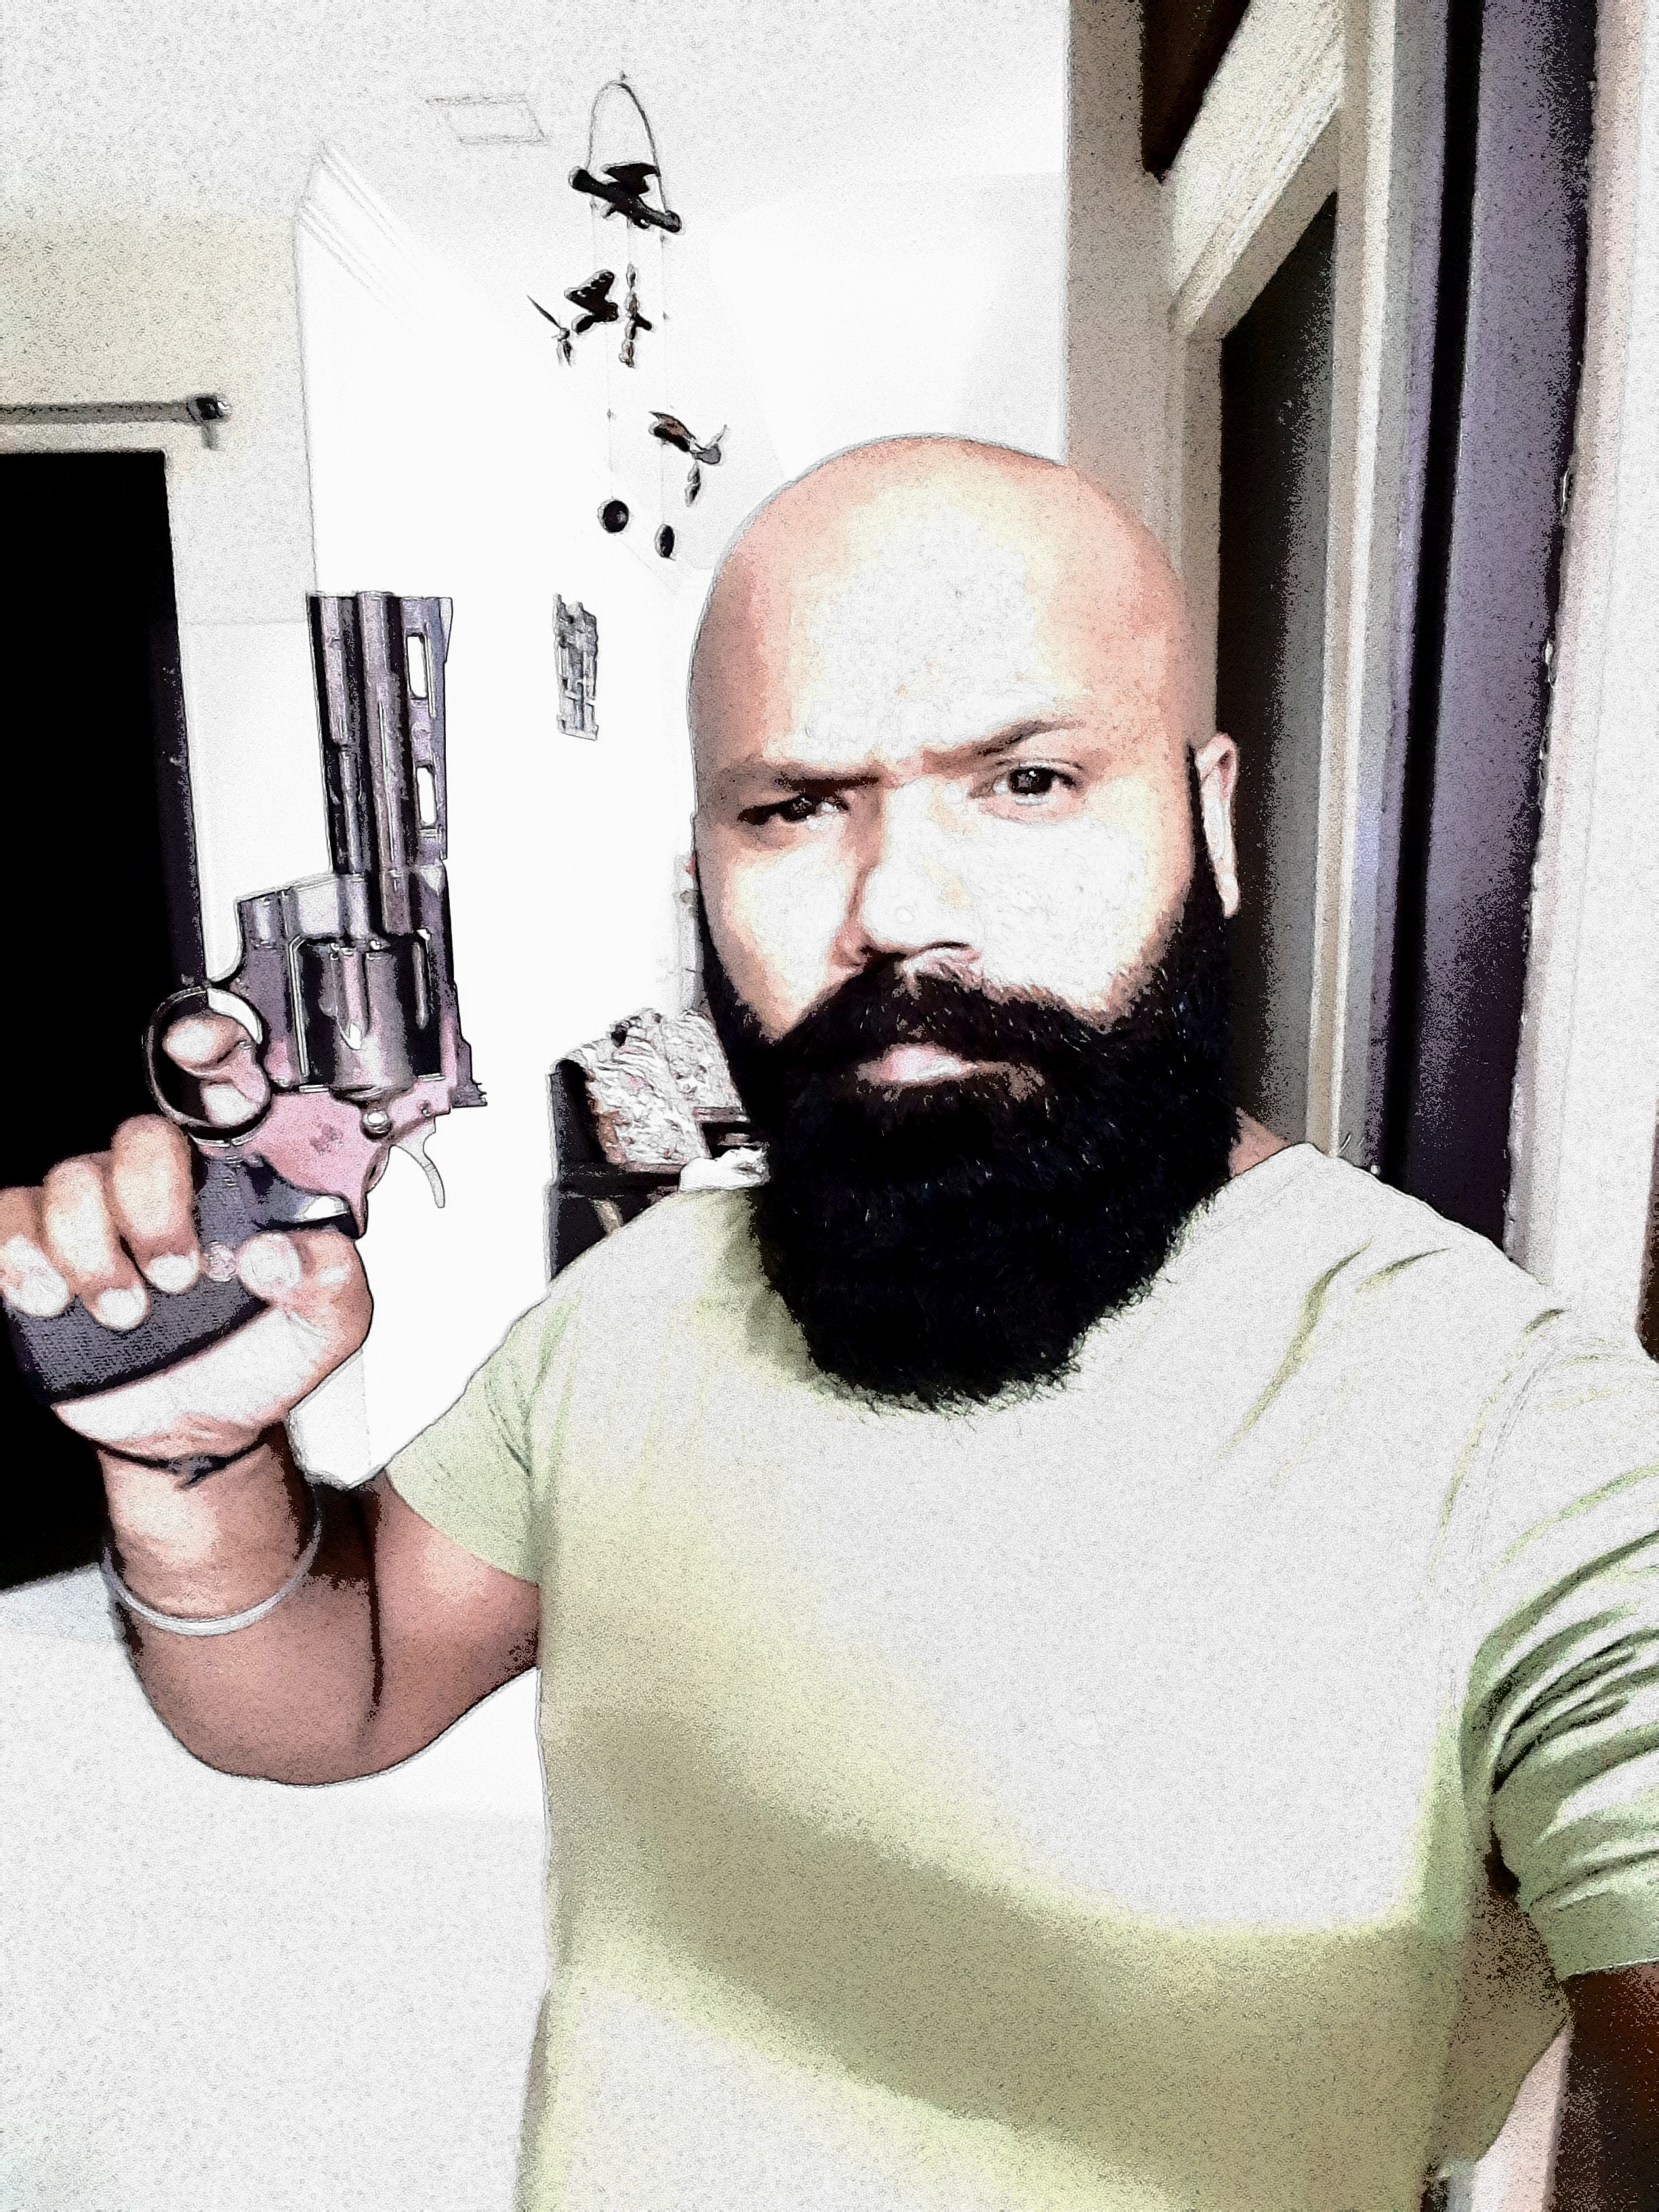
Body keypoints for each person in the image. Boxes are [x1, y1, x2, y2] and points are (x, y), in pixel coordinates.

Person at [4, 436, 1658, 2211]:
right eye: (792, 809)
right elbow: (336, 1696)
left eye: (1027, 781)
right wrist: (194, 1465)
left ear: (1213, 818)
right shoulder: (639, 1302)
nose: (896, 912)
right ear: (704, 865)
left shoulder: (1523, 1435)